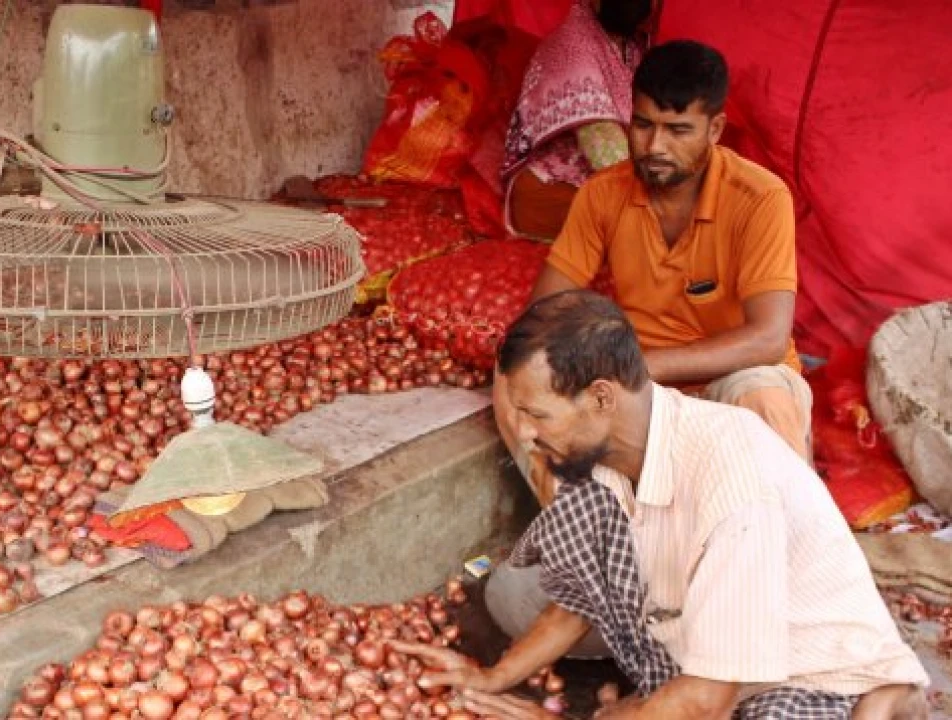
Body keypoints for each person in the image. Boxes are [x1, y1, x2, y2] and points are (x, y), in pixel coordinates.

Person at [396, 291, 929, 719]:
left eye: (539, 415)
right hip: (701, 659)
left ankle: (884, 697)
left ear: (601, 397)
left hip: (804, 678)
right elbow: (581, 596)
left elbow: (708, 700)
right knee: (520, 593)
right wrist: (492, 677)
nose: (527, 435)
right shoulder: (602, 456)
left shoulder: (732, 481)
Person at [495, 39, 813, 509]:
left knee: (761, 396)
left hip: (730, 376)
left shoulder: (761, 197)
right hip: (643, 391)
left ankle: (792, 545)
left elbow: (766, 340)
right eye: (643, 125)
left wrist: (644, 367)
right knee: (513, 372)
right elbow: (544, 314)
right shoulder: (603, 195)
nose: (654, 146)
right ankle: (585, 530)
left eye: (677, 130)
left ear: (715, 129)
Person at [503, 0, 653, 242]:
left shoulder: (636, 46)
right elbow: (604, 145)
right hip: (549, 192)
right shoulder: (571, 43)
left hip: (611, 183)